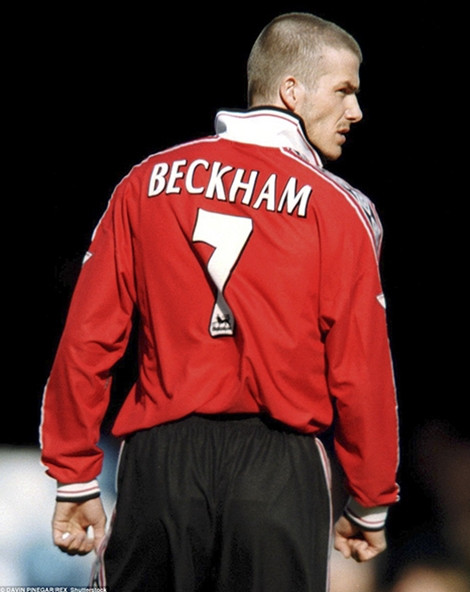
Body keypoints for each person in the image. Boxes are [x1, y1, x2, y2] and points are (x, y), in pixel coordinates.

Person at [40, 12, 400, 591]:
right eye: (344, 90)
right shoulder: (341, 209)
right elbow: (361, 367)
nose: (356, 111)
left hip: (160, 465)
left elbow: (88, 337)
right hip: (277, 471)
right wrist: (371, 497)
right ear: (292, 91)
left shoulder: (145, 182)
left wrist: (74, 475)